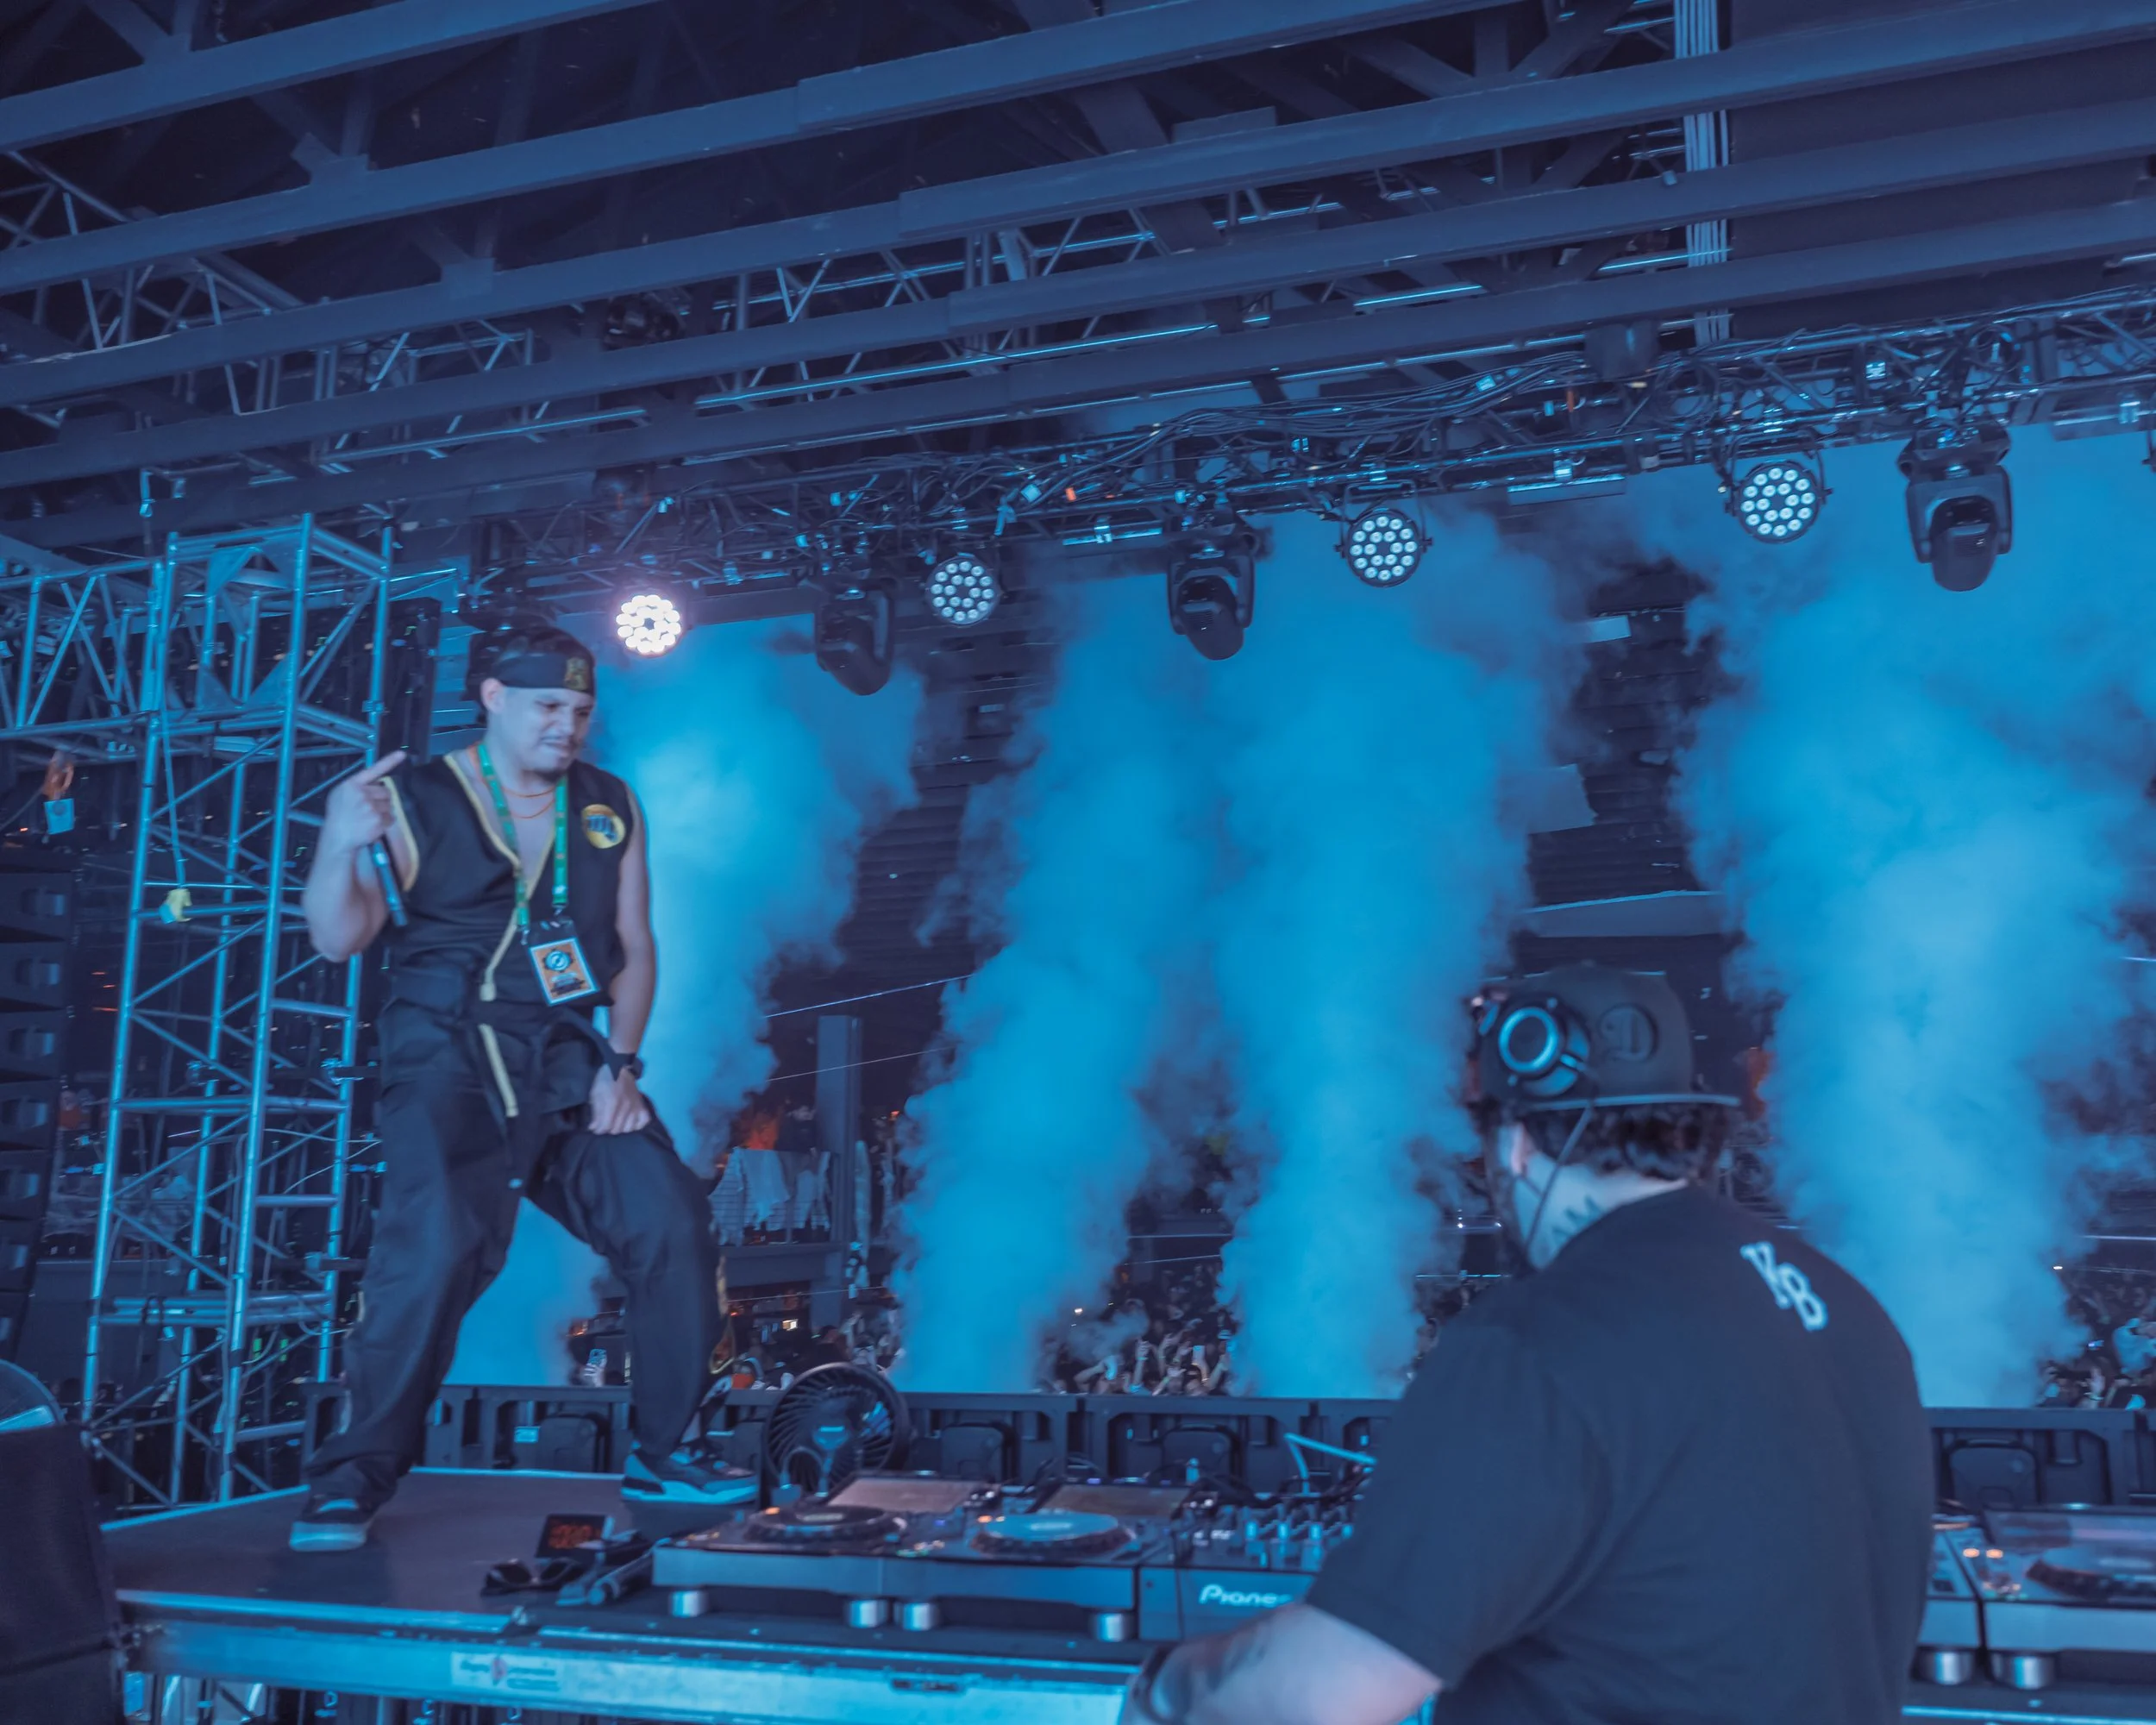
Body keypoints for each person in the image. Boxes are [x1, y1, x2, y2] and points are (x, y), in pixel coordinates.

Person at [1122, 963, 1935, 1725]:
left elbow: (1323, 1694)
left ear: (1513, 1143)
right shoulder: (1848, 1310)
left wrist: (1168, 1687)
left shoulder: (1540, 1340)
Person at [291, 624, 753, 1552]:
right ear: (494, 697)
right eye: (548, 705)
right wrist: (339, 842)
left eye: (580, 709)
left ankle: (666, 1447)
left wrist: (621, 1066)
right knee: (432, 1254)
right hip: (448, 1060)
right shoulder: (415, 797)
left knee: (671, 1220)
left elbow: (635, 945)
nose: (566, 725)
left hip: (567, 1061)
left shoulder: (608, 803)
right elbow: (338, 939)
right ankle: (350, 1479)